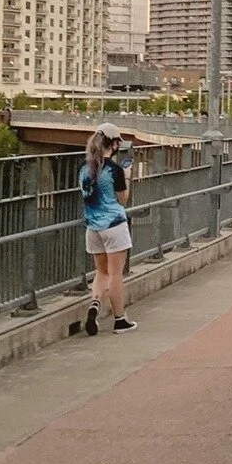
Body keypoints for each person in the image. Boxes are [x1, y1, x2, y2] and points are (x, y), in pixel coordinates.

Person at [81, 122, 137, 335]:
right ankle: (120, 319)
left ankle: (95, 302)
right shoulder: (114, 170)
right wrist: (128, 175)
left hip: (92, 227)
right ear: (113, 144)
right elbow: (122, 200)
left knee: (101, 272)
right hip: (113, 225)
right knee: (115, 274)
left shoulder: (84, 169)